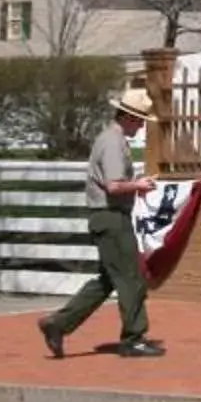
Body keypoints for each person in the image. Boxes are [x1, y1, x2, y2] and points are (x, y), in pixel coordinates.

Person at [39, 87, 166, 359]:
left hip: (106, 218)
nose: (142, 125)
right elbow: (114, 186)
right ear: (130, 117)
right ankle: (133, 338)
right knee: (132, 277)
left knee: (108, 280)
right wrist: (138, 185)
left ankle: (58, 324)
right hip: (111, 217)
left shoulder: (111, 139)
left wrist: (133, 186)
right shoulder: (113, 142)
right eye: (141, 120)